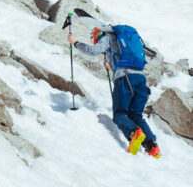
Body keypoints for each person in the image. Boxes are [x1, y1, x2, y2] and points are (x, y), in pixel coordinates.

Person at [68, 24, 160, 157]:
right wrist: (110, 64)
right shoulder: (125, 42)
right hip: (140, 80)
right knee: (136, 115)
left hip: (125, 79)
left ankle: (134, 132)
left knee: (119, 115)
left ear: (97, 34)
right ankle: (152, 146)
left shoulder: (107, 37)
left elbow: (93, 51)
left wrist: (75, 42)